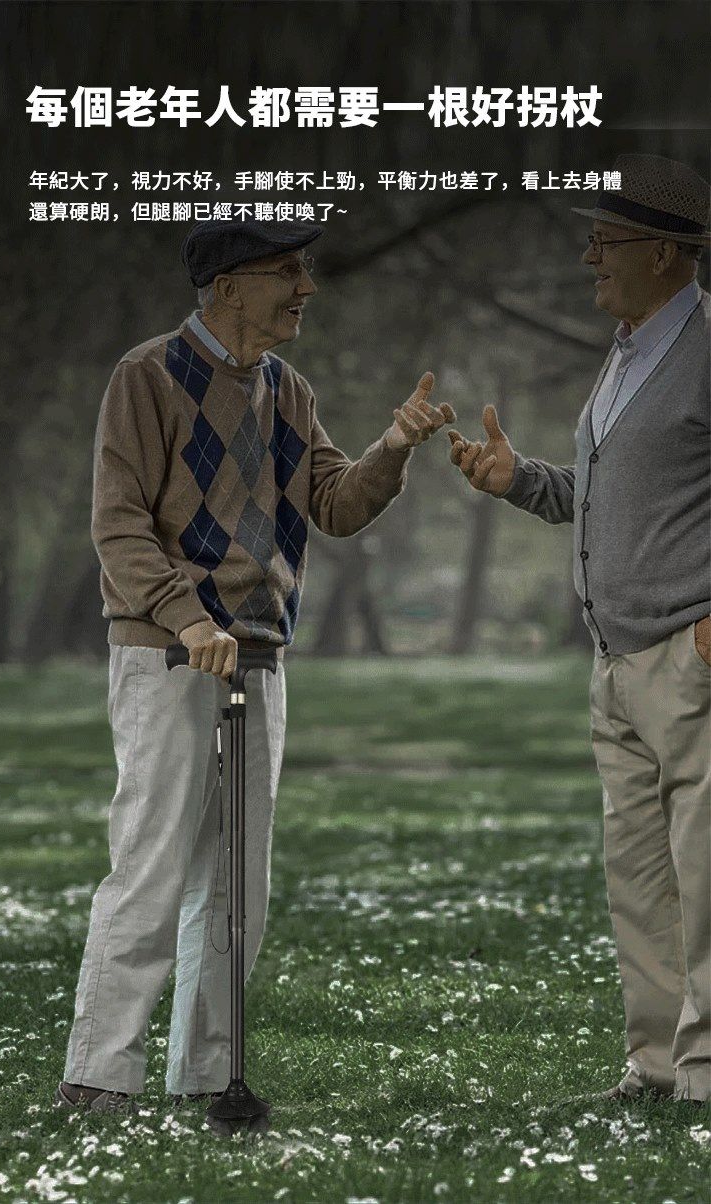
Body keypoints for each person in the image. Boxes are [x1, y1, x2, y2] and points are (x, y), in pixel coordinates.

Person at [56, 220, 455, 1112]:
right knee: (152, 868)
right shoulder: (146, 376)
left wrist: (392, 448)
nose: (306, 287)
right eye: (288, 270)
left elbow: (333, 503)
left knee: (238, 889)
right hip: (169, 656)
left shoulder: (288, 389)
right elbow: (118, 524)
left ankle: (205, 1079)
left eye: (305, 268)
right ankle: (97, 1077)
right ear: (228, 285)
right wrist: (186, 618)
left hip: (261, 658)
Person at [448, 154, 710, 1106]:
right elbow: (602, 499)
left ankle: (708, 1080)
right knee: (641, 881)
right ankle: (655, 1071)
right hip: (617, 665)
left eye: (608, 235)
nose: (587, 250)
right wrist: (517, 478)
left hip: (691, 661)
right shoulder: (629, 351)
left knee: (707, 880)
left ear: (670, 252)